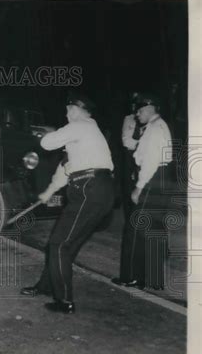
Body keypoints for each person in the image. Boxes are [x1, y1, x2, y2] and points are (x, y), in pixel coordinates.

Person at [20, 93, 114, 313]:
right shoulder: (86, 136)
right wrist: (48, 192)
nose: (66, 113)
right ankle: (46, 286)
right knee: (64, 244)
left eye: (69, 109)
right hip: (97, 190)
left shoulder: (82, 125)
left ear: (81, 110)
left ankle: (64, 301)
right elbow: (65, 169)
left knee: (58, 244)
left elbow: (46, 142)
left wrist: (49, 132)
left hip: (88, 190)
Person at [112, 93, 173, 290]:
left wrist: (139, 187)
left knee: (135, 229)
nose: (136, 114)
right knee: (154, 228)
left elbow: (150, 162)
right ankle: (154, 279)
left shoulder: (154, 129)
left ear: (149, 108)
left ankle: (131, 276)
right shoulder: (160, 126)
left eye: (139, 110)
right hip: (163, 179)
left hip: (152, 179)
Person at [121, 92, 144, 218]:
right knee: (129, 187)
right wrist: (144, 143)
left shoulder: (149, 122)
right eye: (133, 104)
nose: (134, 107)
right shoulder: (128, 119)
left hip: (144, 158)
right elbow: (126, 141)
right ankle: (129, 216)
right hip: (130, 157)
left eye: (137, 104)